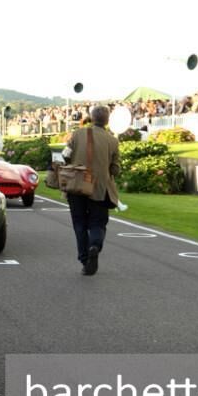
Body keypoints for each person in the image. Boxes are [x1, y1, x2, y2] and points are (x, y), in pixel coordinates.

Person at [62, 105, 120, 276]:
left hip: (77, 185)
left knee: (79, 223)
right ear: (107, 120)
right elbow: (115, 169)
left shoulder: (78, 134)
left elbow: (65, 154)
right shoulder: (112, 140)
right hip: (100, 188)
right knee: (98, 222)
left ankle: (84, 258)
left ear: (92, 118)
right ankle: (95, 245)